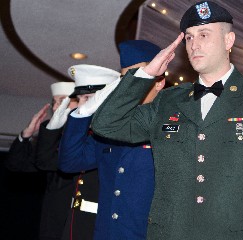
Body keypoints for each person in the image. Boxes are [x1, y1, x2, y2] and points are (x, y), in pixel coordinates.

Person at [90, 1, 243, 240]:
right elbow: (105, 124)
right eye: (189, 37)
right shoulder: (167, 101)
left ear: (228, 41)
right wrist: (146, 75)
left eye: (203, 34)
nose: (194, 45)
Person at [58, 40, 165, 240]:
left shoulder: (172, 124)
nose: (132, 85)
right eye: (126, 79)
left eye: (140, 76)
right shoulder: (107, 130)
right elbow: (69, 162)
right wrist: (83, 113)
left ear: (159, 82)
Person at [6, 82, 78, 240]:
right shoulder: (50, 137)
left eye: (64, 100)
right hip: (52, 220)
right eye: (55, 102)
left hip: (79, 219)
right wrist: (26, 135)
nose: (56, 106)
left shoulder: (90, 134)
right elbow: (16, 165)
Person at [60, 64, 120, 240]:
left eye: (87, 98)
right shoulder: (89, 133)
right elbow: (67, 163)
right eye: (79, 99)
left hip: (100, 226)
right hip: (76, 223)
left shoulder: (115, 134)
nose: (80, 105)